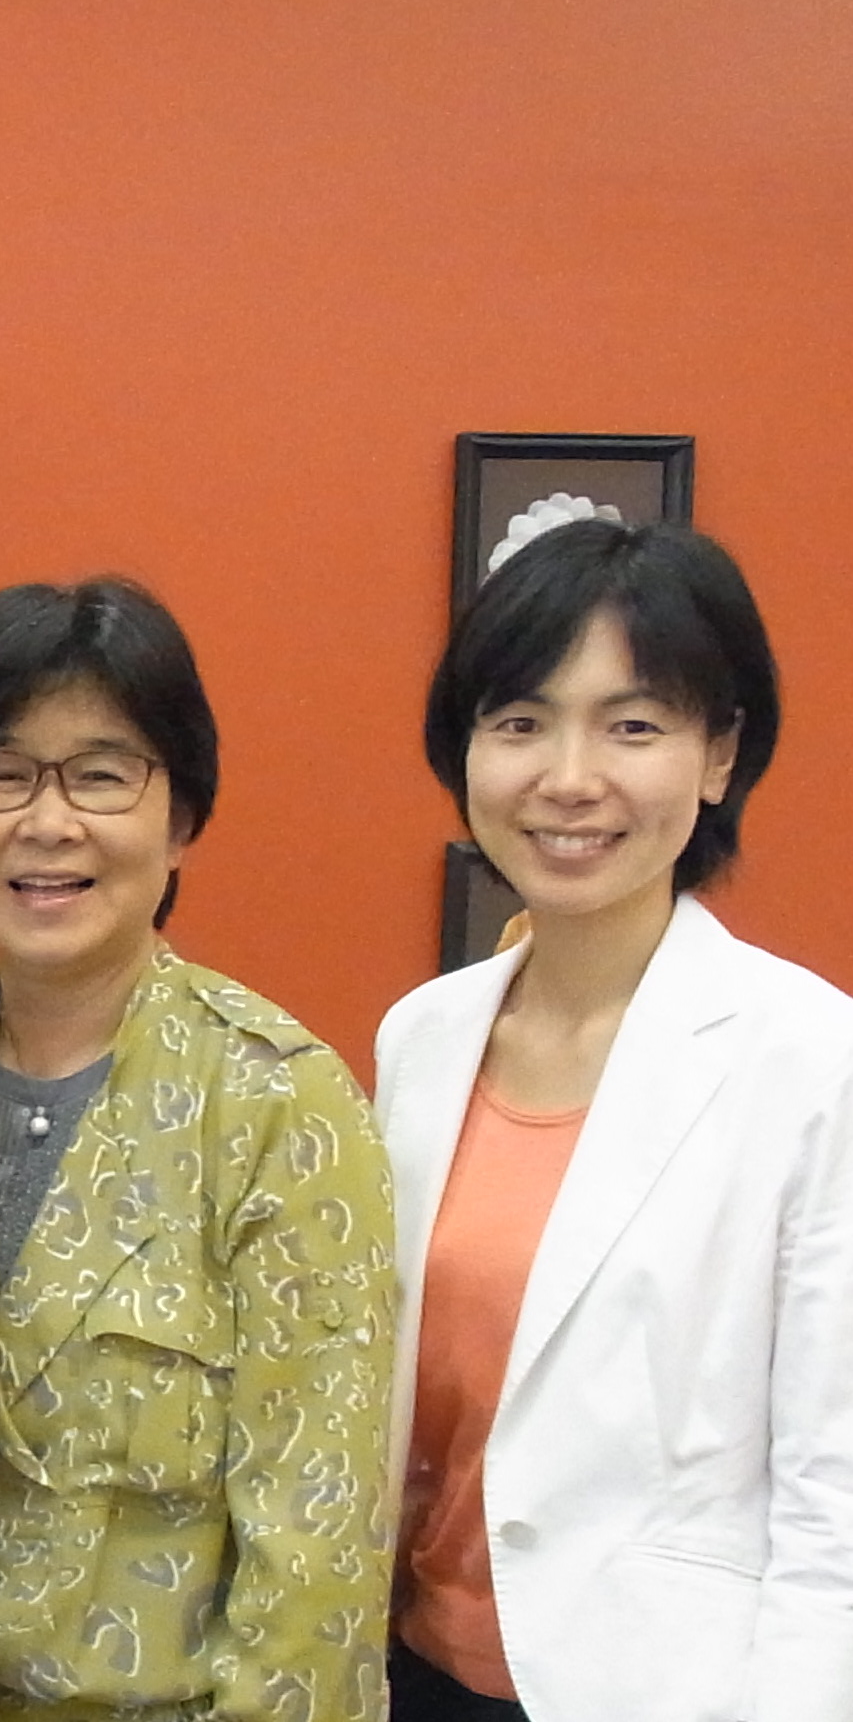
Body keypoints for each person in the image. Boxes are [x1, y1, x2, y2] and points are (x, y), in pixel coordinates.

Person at [379, 519, 853, 1722]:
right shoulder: (420, 1037)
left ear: (719, 755)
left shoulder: (810, 1059)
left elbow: (831, 1499)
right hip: (404, 1673)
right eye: (521, 720)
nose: (568, 776)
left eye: (632, 724)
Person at [0, 578, 394, 1721]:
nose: (49, 821)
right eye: (0, 772)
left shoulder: (277, 1102)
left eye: (104, 773)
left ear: (180, 817)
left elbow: (313, 1560)